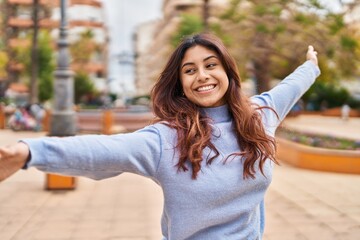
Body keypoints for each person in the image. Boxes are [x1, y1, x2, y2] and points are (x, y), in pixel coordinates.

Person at [0, 33, 319, 240]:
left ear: (228, 73)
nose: (203, 75)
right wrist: (30, 152)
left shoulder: (260, 114)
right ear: (179, 83)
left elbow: (291, 86)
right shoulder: (166, 140)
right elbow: (100, 150)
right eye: (190, 70)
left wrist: (311, 66)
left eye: (211, 65)